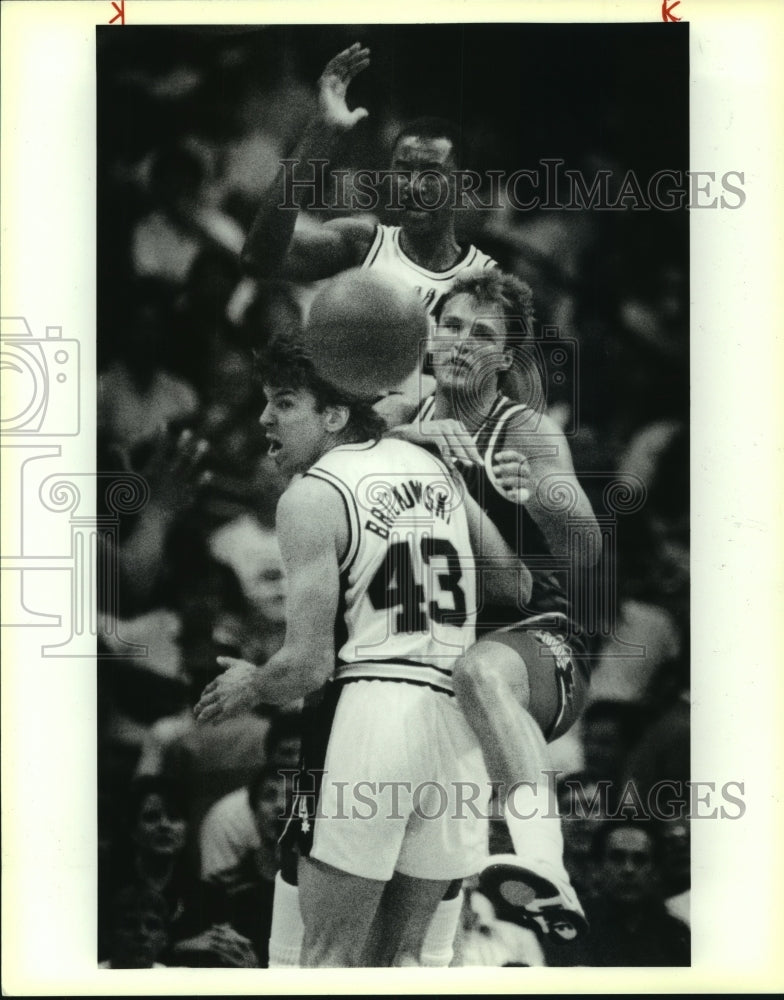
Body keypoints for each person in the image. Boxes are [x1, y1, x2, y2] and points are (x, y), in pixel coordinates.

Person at [194, 271, 530, 967]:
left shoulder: (312, 495)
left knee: (327, 960)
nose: (264, 421)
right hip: (456, 720)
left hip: (372, 713)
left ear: (334, 415)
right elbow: (514, 582)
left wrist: (250, 685)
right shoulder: (432, 464)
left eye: (282, 403)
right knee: (411, 964)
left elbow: (308, 666)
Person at [387, 269, 602, 943]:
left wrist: (539, 494)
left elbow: (588, 550)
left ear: (507, 358)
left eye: (483, 334)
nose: (460, 342)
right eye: (451, 325)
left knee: (478, 671)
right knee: (418, 915)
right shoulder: (398, 418)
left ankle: (545, 860)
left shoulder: (526, 431)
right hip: (429, 655)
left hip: (536, 648)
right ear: (429, 335)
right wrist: (409, 442)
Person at [241, 43, 497, 326]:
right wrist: (320, 132)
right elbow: (258, 259)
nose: (414, 185)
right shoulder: (363, 243)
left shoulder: (486, 283)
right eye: (403, 170)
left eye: (431, 173)